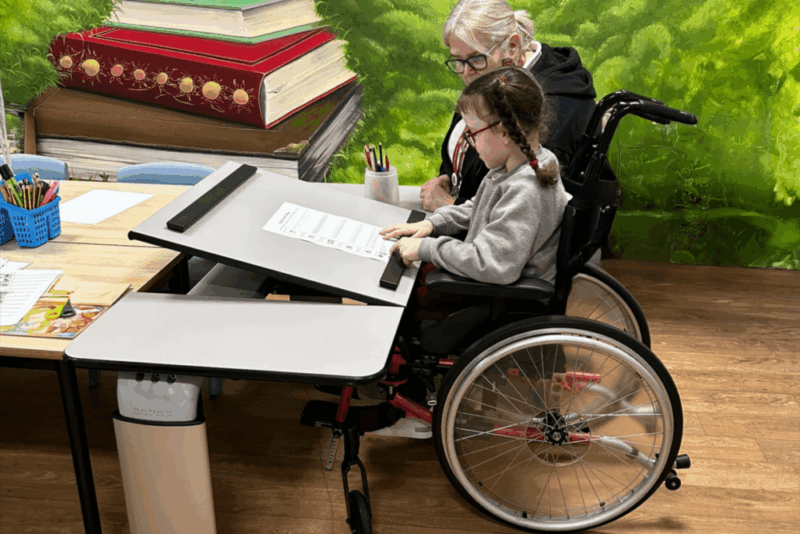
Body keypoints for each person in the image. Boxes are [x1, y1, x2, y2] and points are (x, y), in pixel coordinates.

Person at [380, 65, 570, 288]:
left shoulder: (526, 189)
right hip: (485, 285)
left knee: (400, 290)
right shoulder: (522, 164)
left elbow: (493, 265)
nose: (469, 142)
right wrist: (433, 224)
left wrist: (426, 248)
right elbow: (480, 207)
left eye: (471, 133)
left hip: (498, 299)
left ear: (503, 131)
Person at [420, 0, 596, 212]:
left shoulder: (552, 105)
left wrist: (450, 206)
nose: (465, 72)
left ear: (512, 46)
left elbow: (527, 207)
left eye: (476, 58)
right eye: (457, 60)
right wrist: (447, 177)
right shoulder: (490, 78)